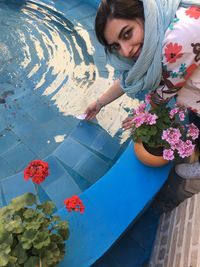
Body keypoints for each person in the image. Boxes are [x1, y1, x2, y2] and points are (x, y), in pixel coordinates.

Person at [85, 0, 200, 179]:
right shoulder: (157, 26)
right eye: (115, 46)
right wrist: (99, 103)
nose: (125, 51)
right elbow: (132, 77)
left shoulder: (178, 38)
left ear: (145, 14)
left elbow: (163, 93)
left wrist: (142, 118)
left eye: (127, 34)